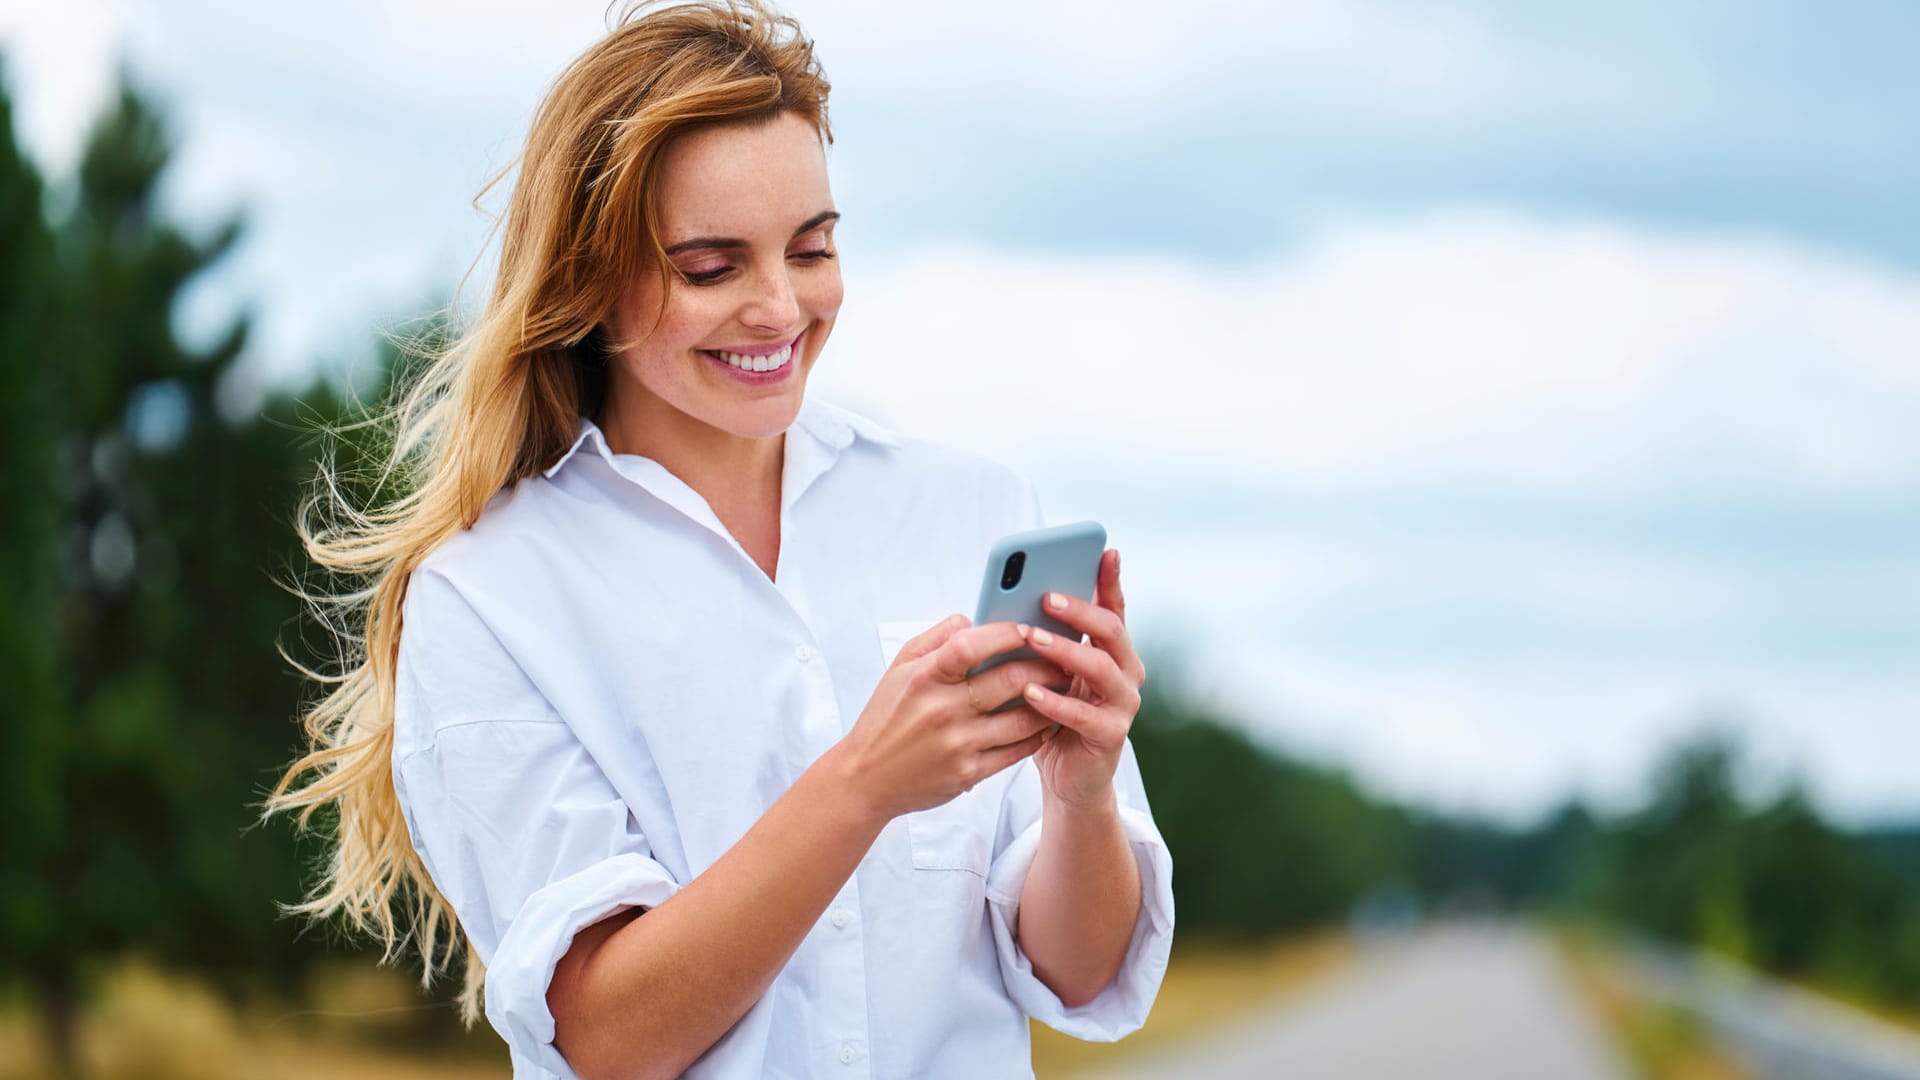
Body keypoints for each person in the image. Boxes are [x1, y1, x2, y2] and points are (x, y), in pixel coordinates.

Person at [266, 2, 1174, 1077]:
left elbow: (1077, 975)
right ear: (590, 278)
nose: (782, 307)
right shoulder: (490, 594)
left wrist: (1083, 798)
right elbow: (605, 1036)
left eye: (813, 248)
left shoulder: (969, 508)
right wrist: (864, 783)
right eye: (711, 266)